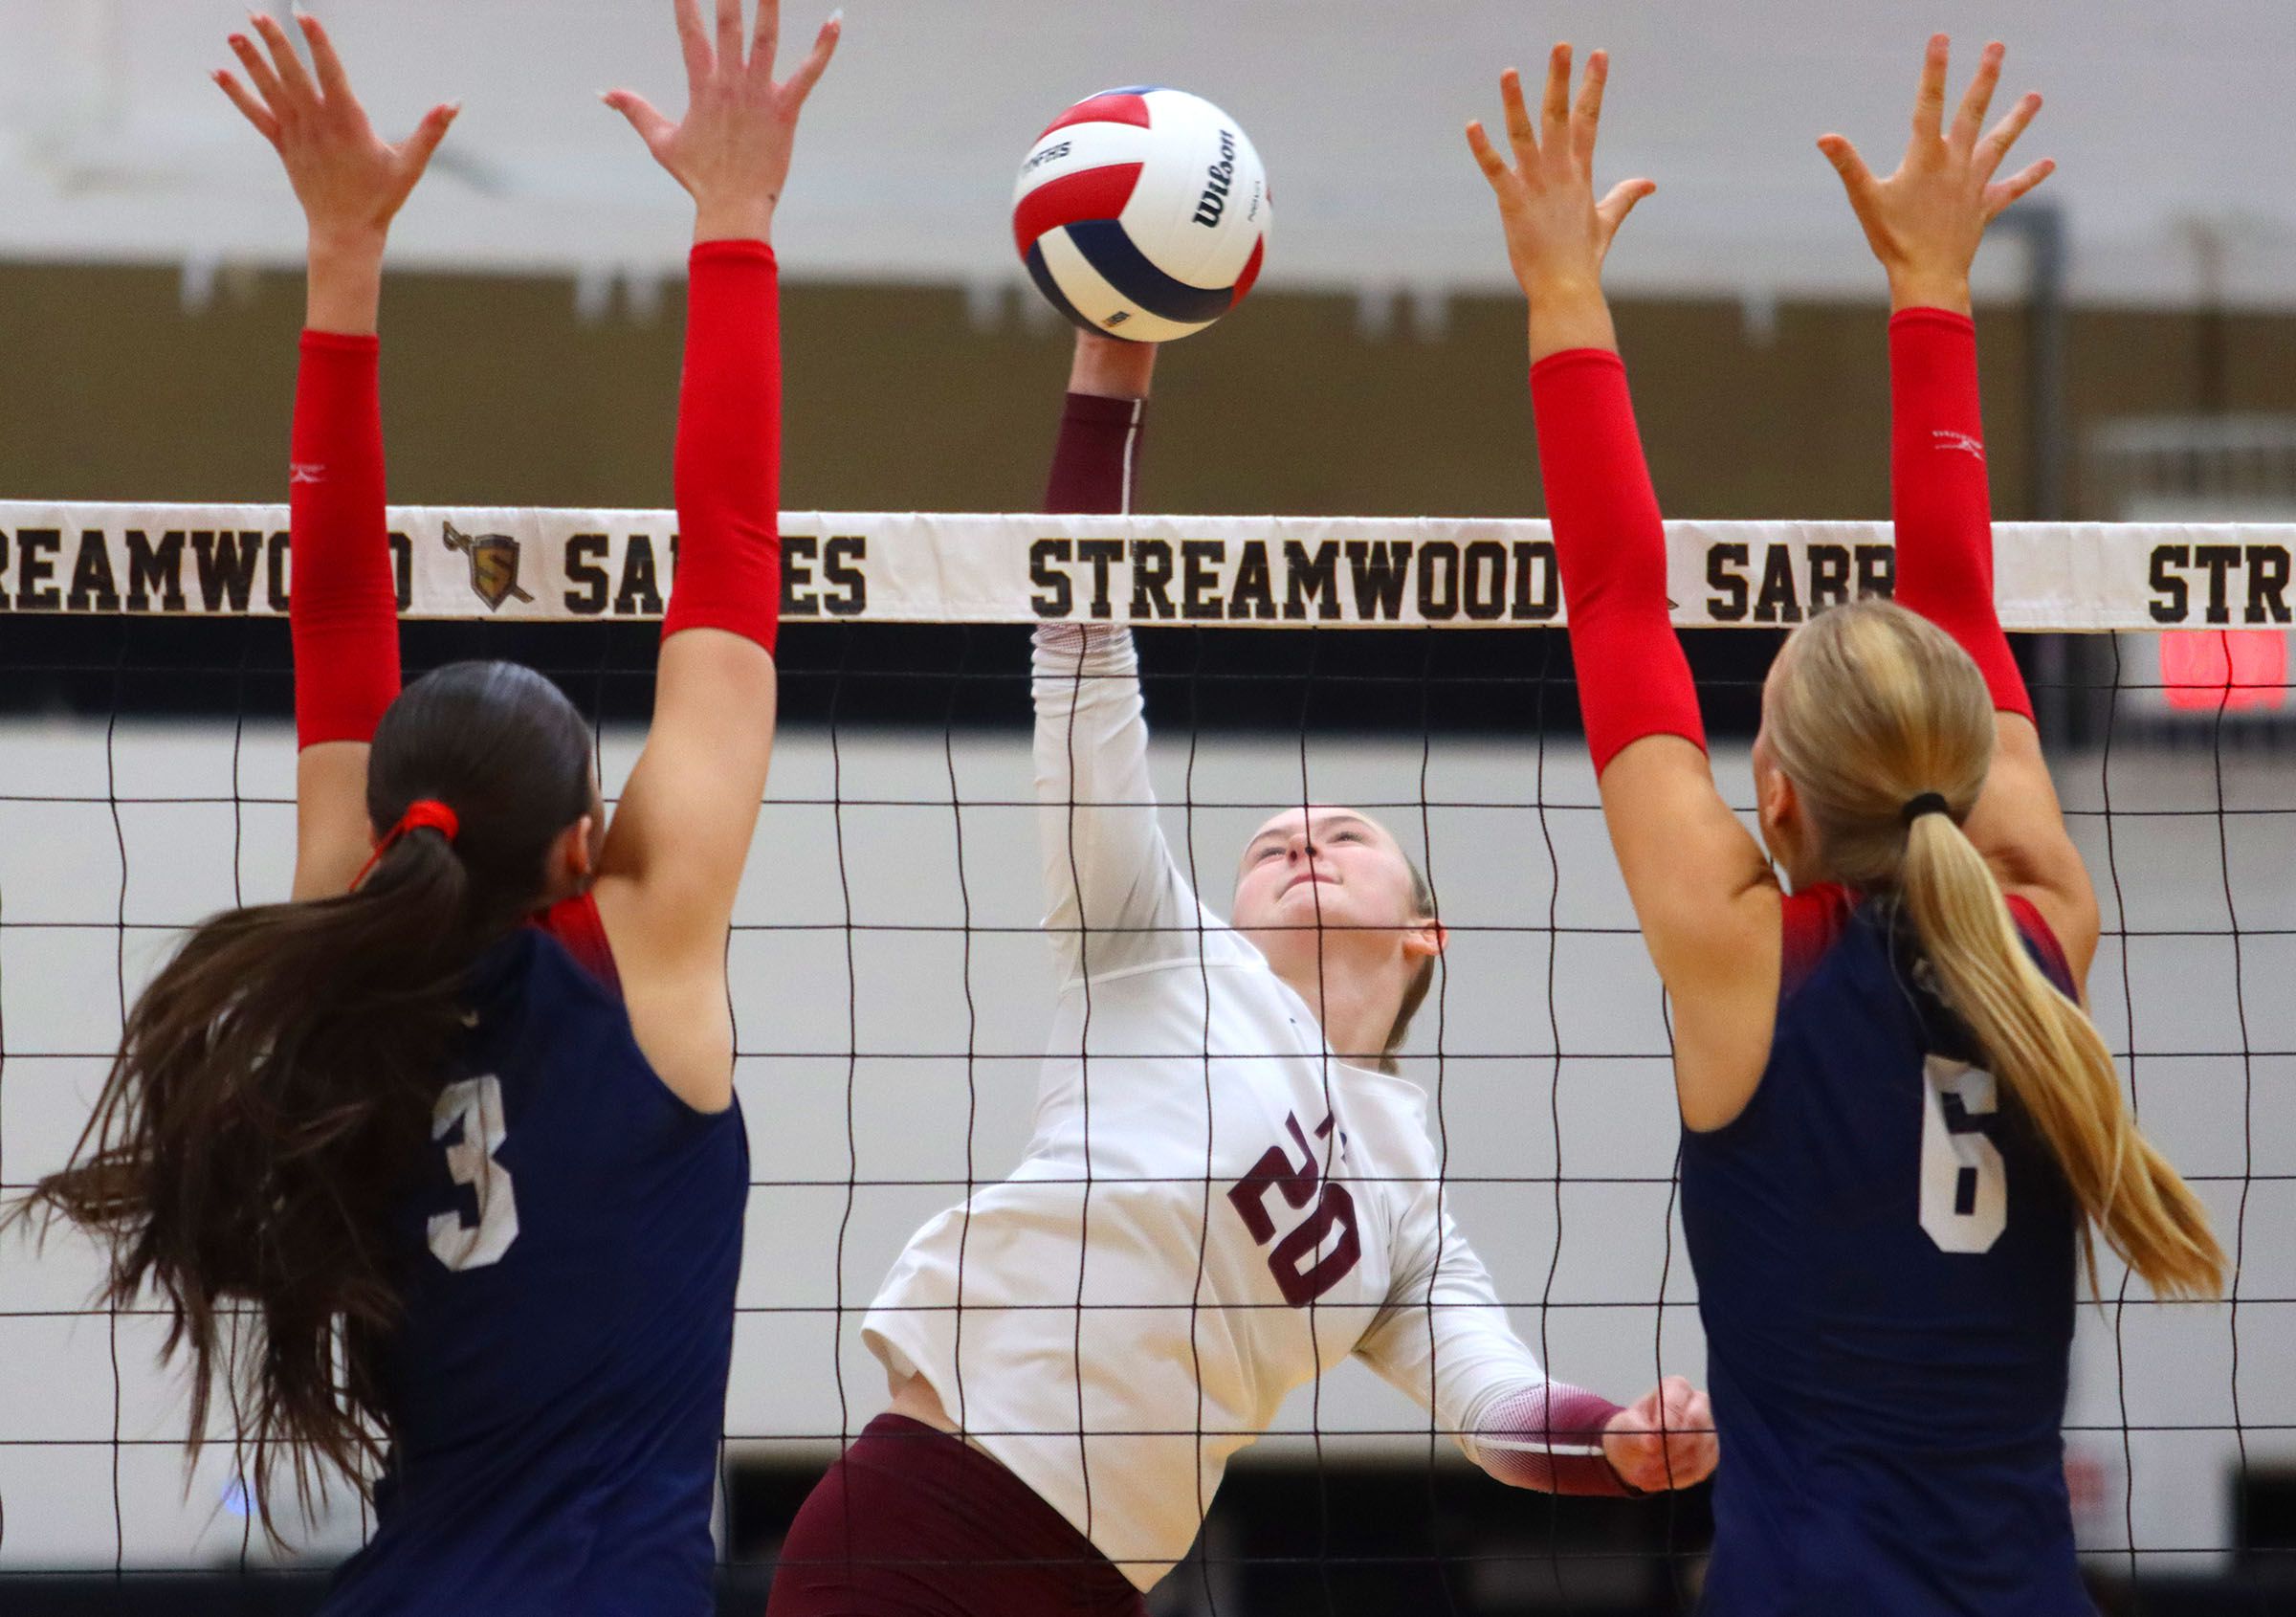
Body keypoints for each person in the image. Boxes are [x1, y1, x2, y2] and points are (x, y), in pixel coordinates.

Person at [25, 4, 836, 1610]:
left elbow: (337, 616)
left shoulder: (353, 969)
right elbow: (733, 547)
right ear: (587, 846)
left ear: (400, 821)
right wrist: (734, 216)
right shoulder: (640, 957)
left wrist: (342, 257)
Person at [764, 328, 1717, 1616]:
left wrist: (1616, 1443)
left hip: (1099, 1583)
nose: (1301, 845)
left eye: (1346, 837)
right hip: (925, 1515)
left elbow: (1497, 1408)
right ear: (1228, 911)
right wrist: (1111, 373)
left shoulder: (1408, 1202)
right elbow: (1080, 643)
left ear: (1425, 931)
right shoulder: (1157, 952)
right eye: (1270, 848)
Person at [1467, 35, 2226, 1613]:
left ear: (1776, 795)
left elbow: (1615, 599)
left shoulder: (1753, 960)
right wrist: (1933, 286)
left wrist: (1561, 292)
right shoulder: (2043, 927)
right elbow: (1950, 599)